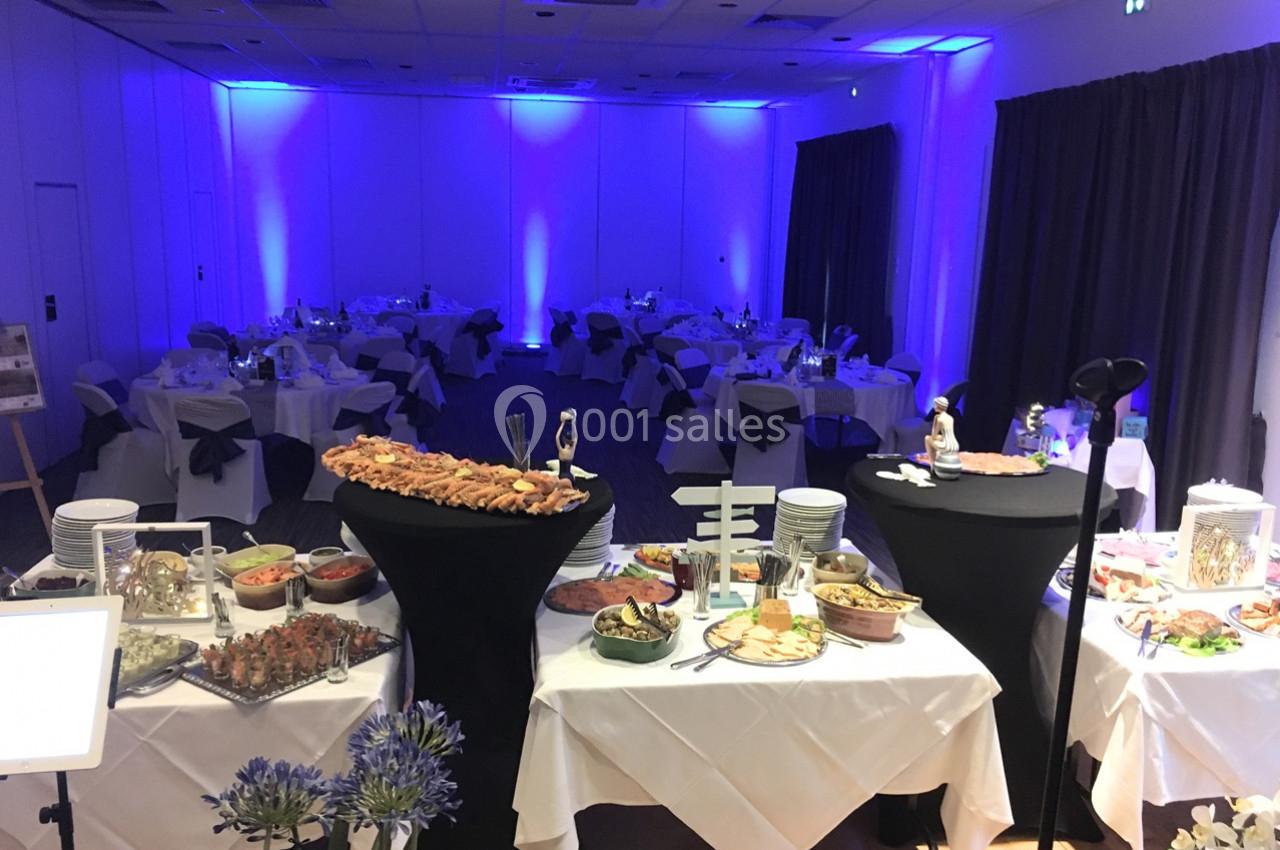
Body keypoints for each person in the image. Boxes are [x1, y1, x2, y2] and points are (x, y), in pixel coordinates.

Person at [925, 396, 959, 465]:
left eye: (935, 405)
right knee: (940, 437)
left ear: (938, 406)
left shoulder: (939, 418)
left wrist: (935, 421)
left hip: (946, 446)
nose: (934, 406)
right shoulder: (950, 418)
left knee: (927, 438)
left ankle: (932, 464)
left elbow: (933, 436)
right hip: (955, 445)